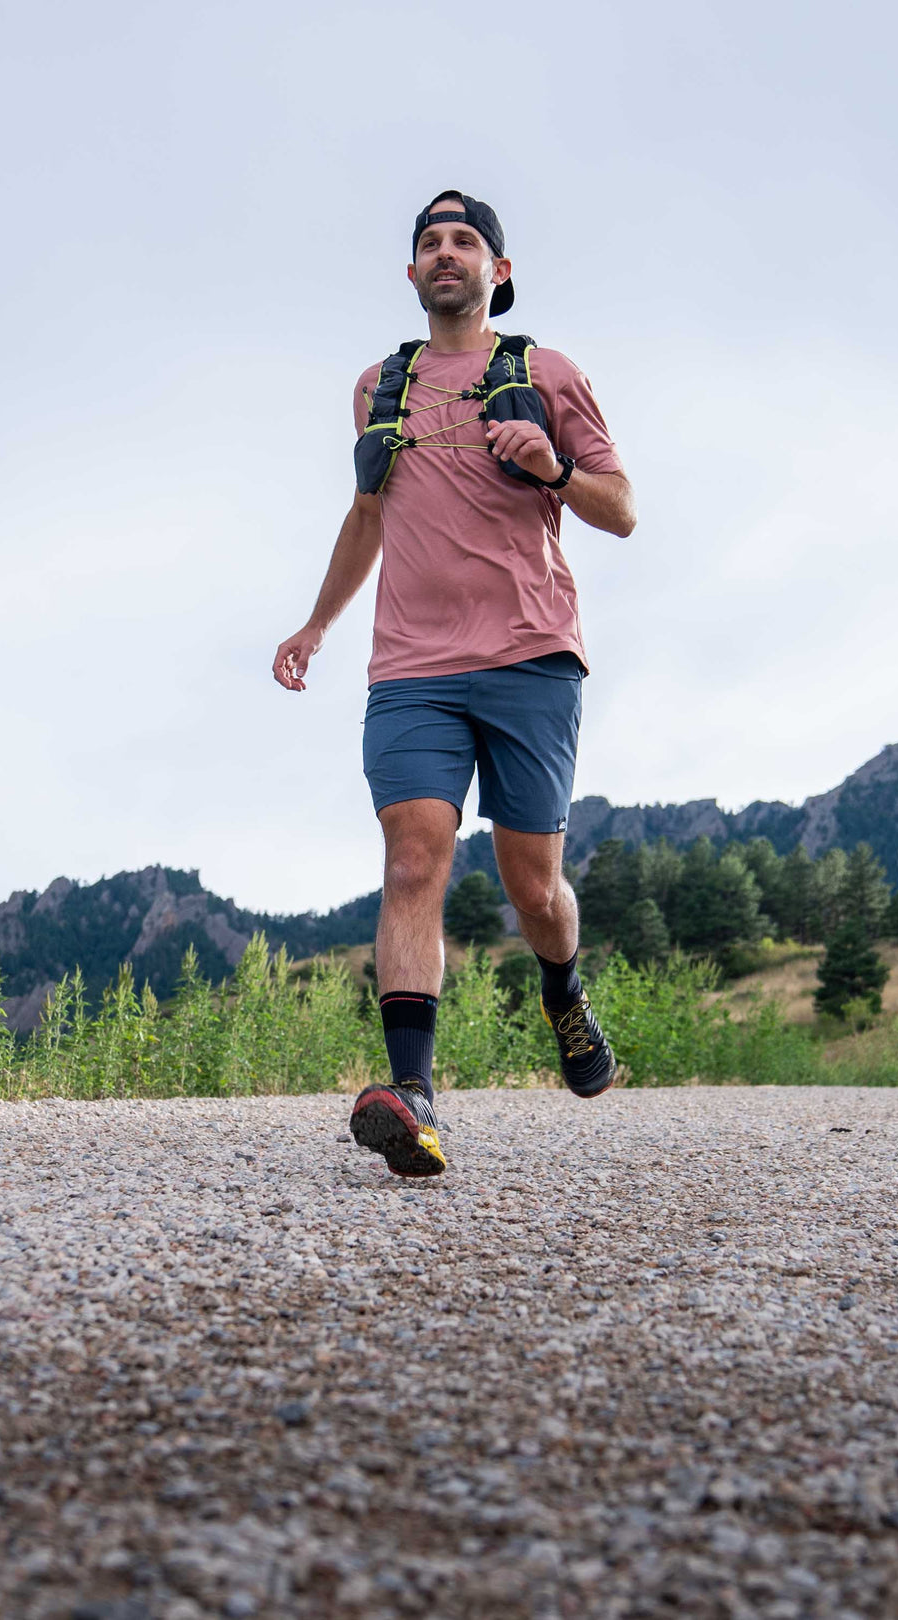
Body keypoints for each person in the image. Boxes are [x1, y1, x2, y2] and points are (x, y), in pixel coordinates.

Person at [273, 190, 636, 1177]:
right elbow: (368, 518)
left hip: (530, 658)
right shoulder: (377, 387)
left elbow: (623, 508)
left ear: (497, 273)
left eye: (464, 241)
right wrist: (316, 623)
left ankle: (562, 990)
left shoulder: (546, 372)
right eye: (429, 242)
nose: (445, 253)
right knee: (413, 858)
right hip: (411, 669)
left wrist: (554, 469)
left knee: (534, 885)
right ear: (410, 274)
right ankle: (415, 1099)